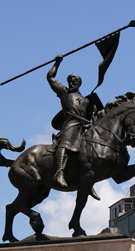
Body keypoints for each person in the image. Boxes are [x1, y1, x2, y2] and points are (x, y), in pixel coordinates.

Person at [47, 54, 94, 189]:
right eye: (70, 81)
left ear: (79, 83)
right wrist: (57, 63)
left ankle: (90, 182)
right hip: (70, 125)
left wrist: (91, 122)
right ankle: (59, 172)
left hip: (83, 127)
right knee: (65, 144)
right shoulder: (64, 93)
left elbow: (91, 116)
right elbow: (50, 78)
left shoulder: (86, 100)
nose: (72, 83)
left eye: (74, 81)